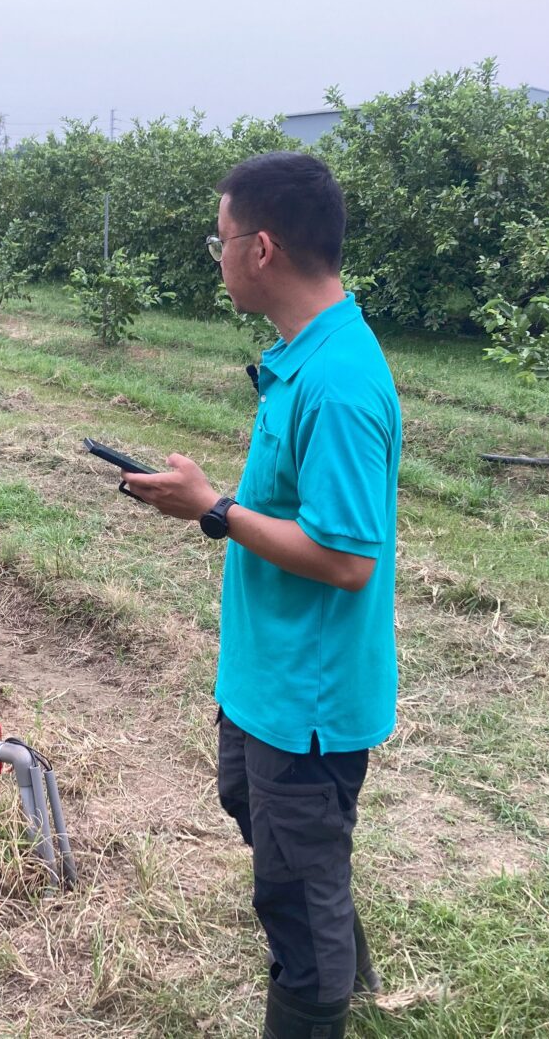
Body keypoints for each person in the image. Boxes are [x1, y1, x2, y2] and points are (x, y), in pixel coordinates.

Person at [122, 151, 401, 1039]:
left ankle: (319, 993)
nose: (219, 255)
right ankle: (337, 949)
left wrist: (213, 509)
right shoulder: (299, 352)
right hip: (267, 675)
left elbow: (348, 558)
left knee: (294, 882)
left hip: (308, 695)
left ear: (263, 248)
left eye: (222, 238)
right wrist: (216, 507)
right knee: (256, 810)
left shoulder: (340, 380)